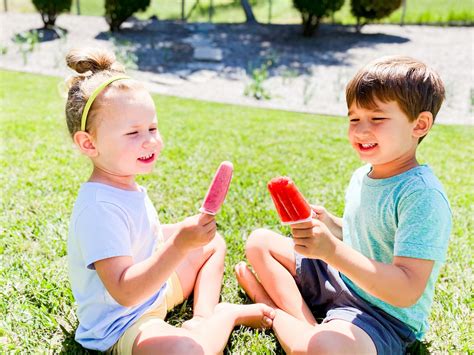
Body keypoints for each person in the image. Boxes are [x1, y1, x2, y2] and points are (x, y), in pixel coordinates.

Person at [235, 56, 452, 354]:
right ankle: (307, 327)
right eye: (354, 119)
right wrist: (330, 225)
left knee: (325, 348)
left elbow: (407, 289)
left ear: (420, 124)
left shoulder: (422, 196)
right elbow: (363, 236)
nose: (361, 130)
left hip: (383, 315)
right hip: (339, 278)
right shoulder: (364, 174)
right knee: (259, 242)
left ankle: (274, 314)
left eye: (376, 119)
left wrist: (331, 250)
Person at [65, 47, 275, 354]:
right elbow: (124, 292)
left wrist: (181, 233)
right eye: (133, 132)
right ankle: (225, 316)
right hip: (124, 322)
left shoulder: (125, 186)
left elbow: (140, 236)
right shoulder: (98, 208)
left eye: (152, 128)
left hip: (156, 291)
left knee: (212, 244)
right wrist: (178, 246)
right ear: (89, 143)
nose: (150, 139)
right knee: (185, 351)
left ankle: (204, 318)